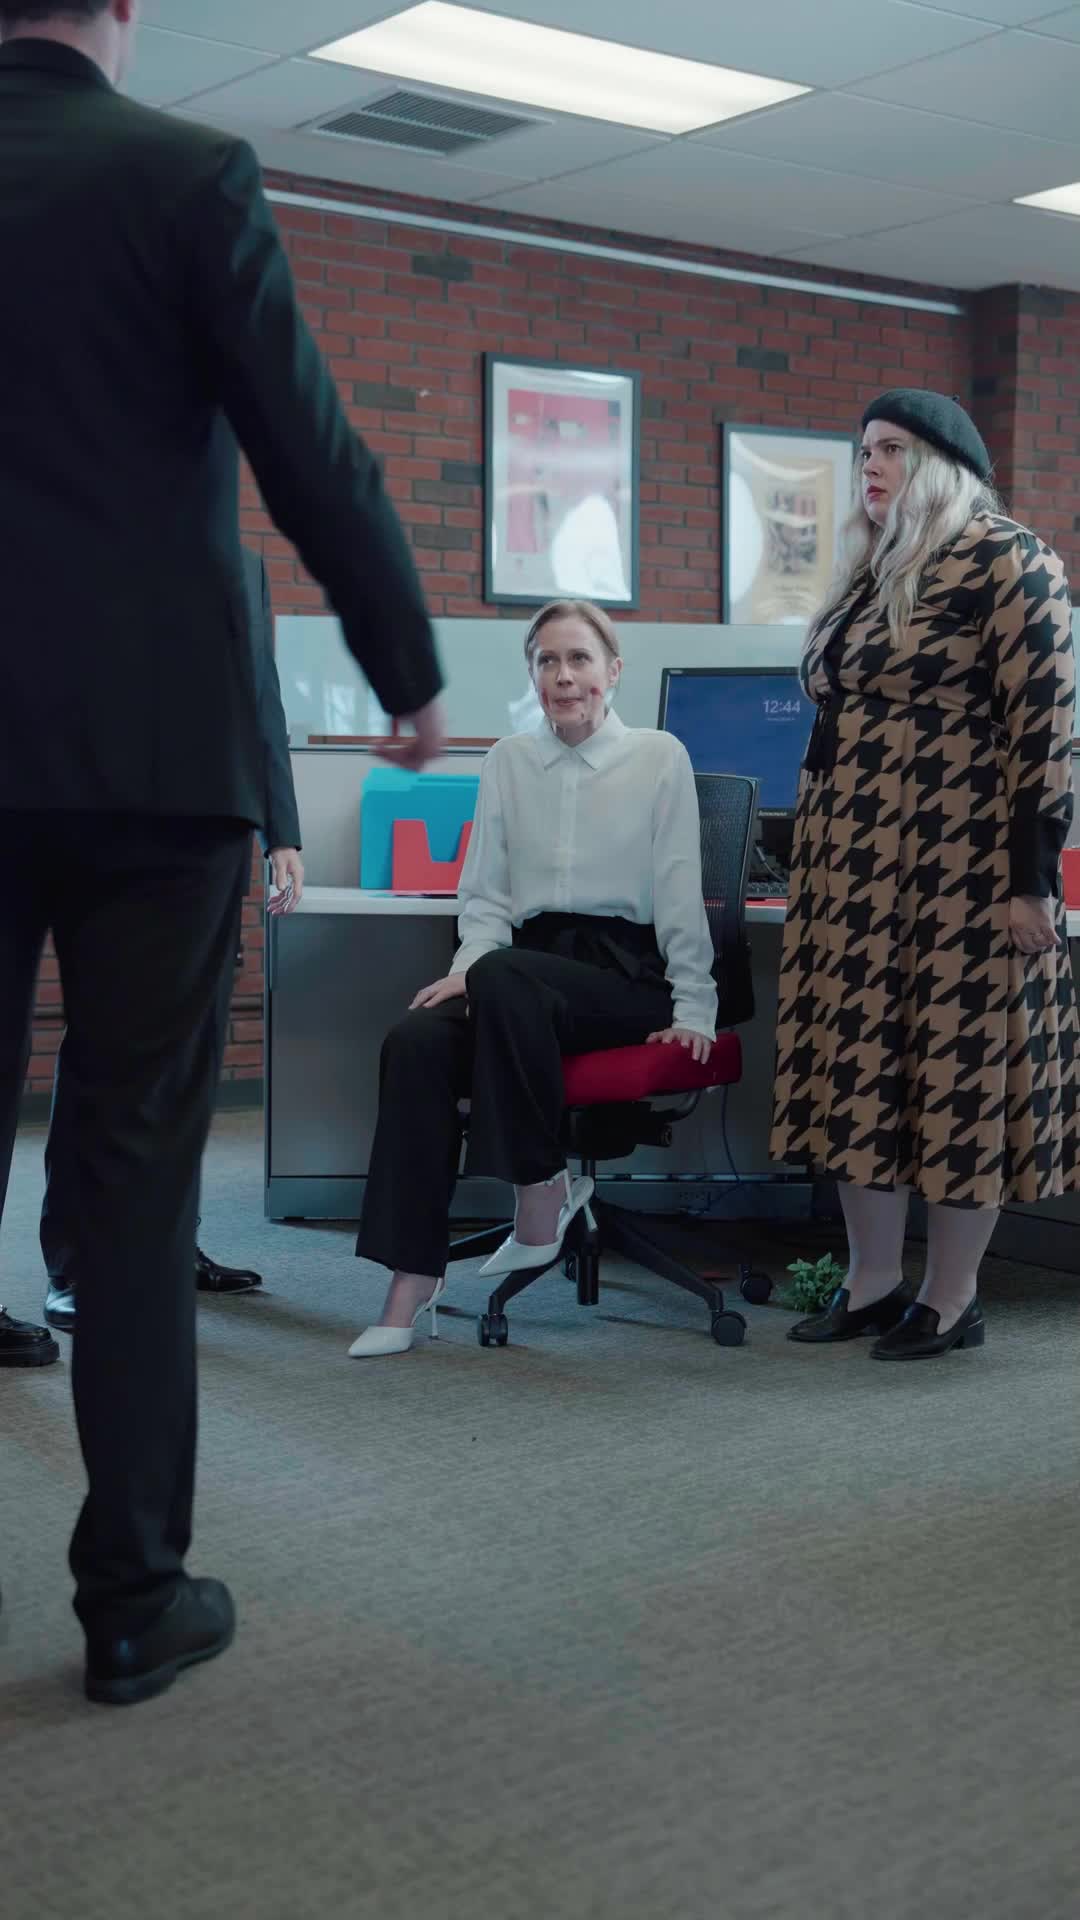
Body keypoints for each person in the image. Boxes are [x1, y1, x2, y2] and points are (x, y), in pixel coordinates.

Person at [0, 0, 444, 1705]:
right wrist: (404, 666)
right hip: (158, 759)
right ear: (124, 8)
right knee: (133, 1178)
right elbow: (305, 442)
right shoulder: (184, 172)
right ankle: (133, 1600)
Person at [770, 388, 1079, 1362]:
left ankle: (951, 1298)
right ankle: (872, 1284)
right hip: (852, 879)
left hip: (959, 872)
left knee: (957, 1077)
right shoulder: (872, 569)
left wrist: (1033, 882)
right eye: (864, 448)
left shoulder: (1009, 559)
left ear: (944, 465)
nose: (870, 464)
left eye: (893, 448)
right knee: (859, 1073)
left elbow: (1048, 733)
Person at [349, 599, 718, 1358]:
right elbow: (485, 897)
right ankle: (411, 1278)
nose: (563, 675)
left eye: (579, 658)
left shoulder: (659, 756)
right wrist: (465, 975)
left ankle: (538, 1192)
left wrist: (695, 1006)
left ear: (613, 671)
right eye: (547, 661)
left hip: (623, 978)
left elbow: (681, 891)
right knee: (416, 1040)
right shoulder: (508, 761)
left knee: (506, 975)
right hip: (519, 977)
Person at [33, 548, 302, 1332]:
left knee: (188, 1062)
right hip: (106, 836)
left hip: (208, 846)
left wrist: (281, 830)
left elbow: (261, 699)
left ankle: (164, 1245)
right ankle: (76, 1263)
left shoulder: (241, 563)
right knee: (104, 1057)